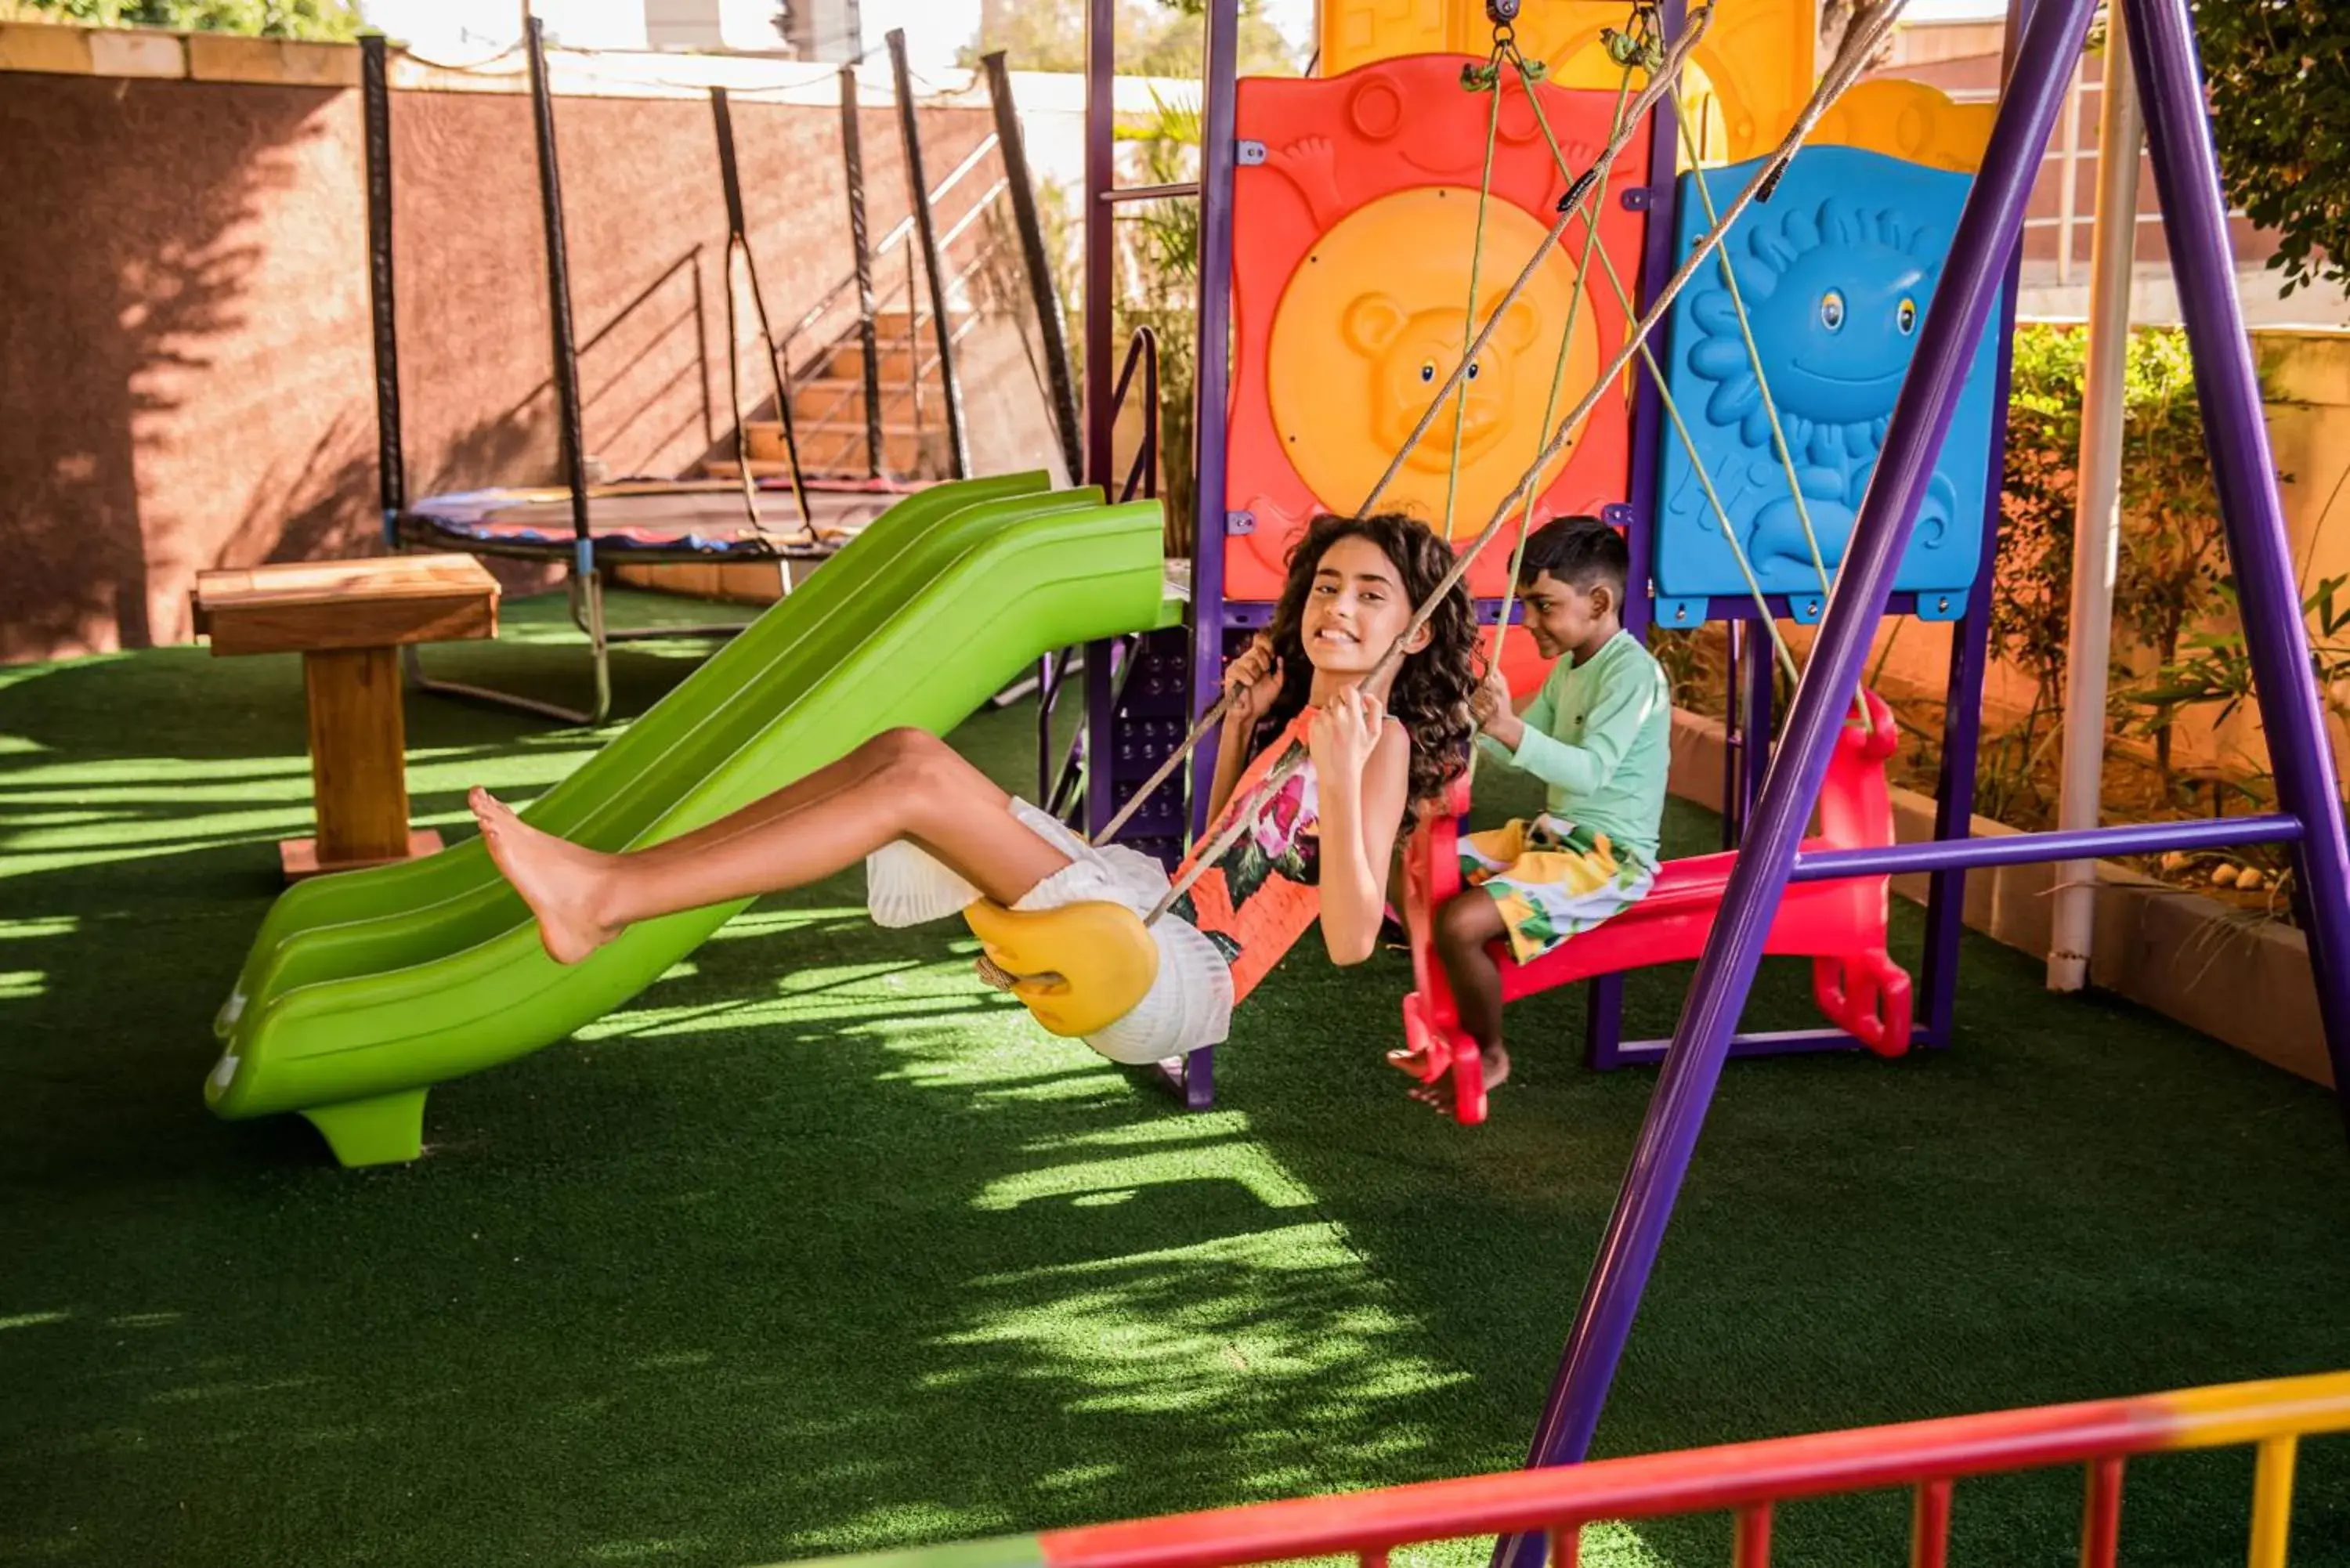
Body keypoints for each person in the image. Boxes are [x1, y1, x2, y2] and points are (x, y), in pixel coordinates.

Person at [468, 511, 1478, 1066]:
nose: (1336, 606)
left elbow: (1349, 940)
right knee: (900, 749)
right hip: (1158, 912)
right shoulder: (1313, 719)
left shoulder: (1374, 743)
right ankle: (612, 881)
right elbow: (1226, 856)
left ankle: (602, 898)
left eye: (1370, 595)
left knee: (915, 778)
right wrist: (1245, 732)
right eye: (1327, 587)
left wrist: (1344, 784)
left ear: (1417, 629)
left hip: (1178, 976)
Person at [1403, 514, 1671, 1103]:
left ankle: (1490, 1054)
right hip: (1554, 837)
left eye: (1543, 604)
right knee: (1421, 866)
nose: (1527, 621)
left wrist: (1508, 729)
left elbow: (1589, 770)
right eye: (1525, 604)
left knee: (1460, 923)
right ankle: (1443, 1009)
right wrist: (1472, 725)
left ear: (1599, 601)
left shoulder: (1633, 675)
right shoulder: (1573, 668)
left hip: (1609, 858)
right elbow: (1514, 753)